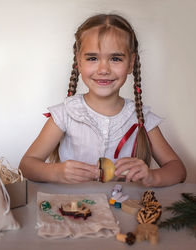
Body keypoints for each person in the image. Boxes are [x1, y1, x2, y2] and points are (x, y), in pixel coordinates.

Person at [19, 14, 186, 187]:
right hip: (71, 209)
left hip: (125, 211)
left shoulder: (141, 117)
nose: (104, 69)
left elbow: (178, 170)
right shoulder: (64, 114)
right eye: (92, 58)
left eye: (115, 59)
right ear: (78, 62)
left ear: (131, 63)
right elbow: (26, 165)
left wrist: (152, 176)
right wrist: (56, 172)